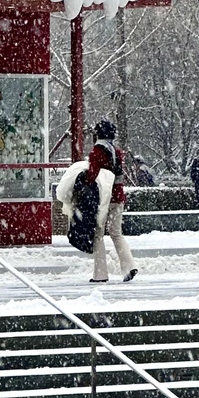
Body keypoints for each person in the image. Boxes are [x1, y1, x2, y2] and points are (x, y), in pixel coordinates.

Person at [86, 120, 137, 283]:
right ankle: (129, 266)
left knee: (98, 236)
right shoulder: (117, 152)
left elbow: (92, 177)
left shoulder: (97, 152)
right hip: (118, 198)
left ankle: (100, 275)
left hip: (104, 200)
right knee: (116, 234)